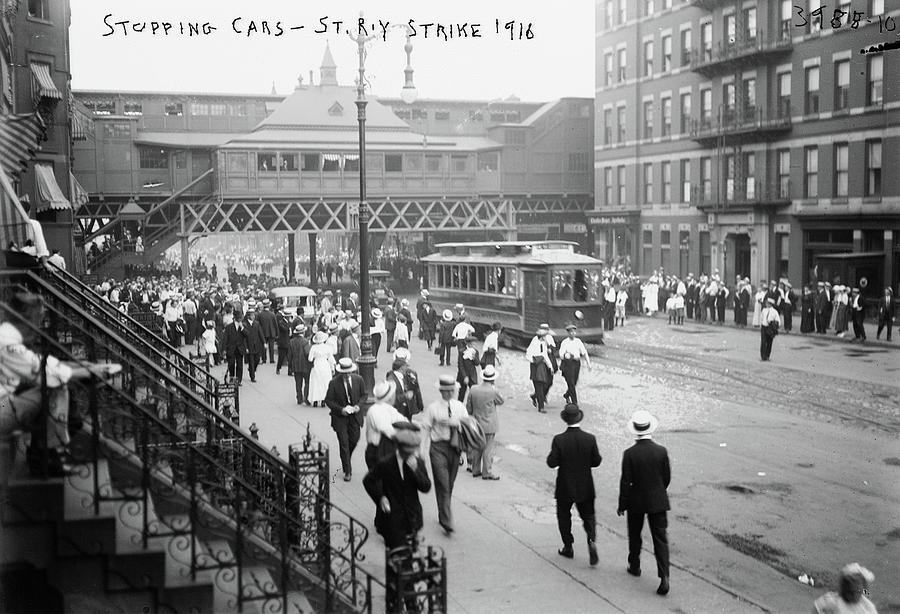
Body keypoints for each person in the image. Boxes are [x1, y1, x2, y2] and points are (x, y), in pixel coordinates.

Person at [1, 292, 121, 476]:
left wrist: (85, 366)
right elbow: (45, 372)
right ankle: (49, 455)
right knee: (56, 387)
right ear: (26, 318)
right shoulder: (7, 342)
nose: (39, 325)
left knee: (55, 386)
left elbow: (44, 363)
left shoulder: (10, 335)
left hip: (9, 400)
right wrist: (93, 371)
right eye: (38, 319)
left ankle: (45, 449)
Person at [617, 410, 671, 597]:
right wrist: (658, 490)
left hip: (636, 500)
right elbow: (666, 478)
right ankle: (664, 575)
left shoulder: (629, 454)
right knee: (660, 538)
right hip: (657, 500)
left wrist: (622, 504)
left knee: (635, 534)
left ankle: (634, 564)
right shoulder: (661, 451)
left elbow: (625, 481)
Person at [547, 403, 601, 566]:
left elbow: (551, 462)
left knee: (564, 516)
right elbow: (596, 461)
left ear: (566, 420)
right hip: (585, 485)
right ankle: (591, 540)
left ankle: (568, 545)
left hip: (565, 485)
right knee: (589, 515)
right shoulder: (590, 439)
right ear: (579, 418)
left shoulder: (559, 439)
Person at [362, 423, 432, 549]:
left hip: (413, 518)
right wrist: (380, 497)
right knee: (396, 556)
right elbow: (368, 481)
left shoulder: (418, 463)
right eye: (407, 452)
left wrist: (416, 471)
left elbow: (426, 487)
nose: (410, 455)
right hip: (392, 519)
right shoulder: (386, 463)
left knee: (410, 555)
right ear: (399, 448)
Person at [415, 375, 463, 534]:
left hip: (455, 448)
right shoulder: (433, 408)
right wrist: (422, 449)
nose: (449, 394)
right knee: (442, 482)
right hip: (437, 448)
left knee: (450, 483)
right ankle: (446, 520)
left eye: (452, 391)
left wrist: (456, 423)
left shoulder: (460, 407)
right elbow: (426, 428)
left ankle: (443, 511)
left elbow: (468, 425)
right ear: (441, 391)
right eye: (446, 391)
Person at [324, 357, 365, 481]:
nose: (347, 375)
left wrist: (358, 405)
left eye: (349, 372)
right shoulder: (334, 383)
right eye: (344, 373)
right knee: (344, 443)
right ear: (341, 372)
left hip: (354, 417)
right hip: (340, 418)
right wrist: (340, 410)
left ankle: (346, 457)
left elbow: (364, 395)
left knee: (354, 439)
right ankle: (348, 470)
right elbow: (329, 400)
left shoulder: (359, 380)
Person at [465, 364, 503, 480]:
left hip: (477, 423)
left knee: (477, 446)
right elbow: (501, 401)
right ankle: (487, 472)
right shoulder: (493, 391)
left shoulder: (474, 389)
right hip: (490, 424)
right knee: (488, 449)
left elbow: (469, 408)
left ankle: (475, 469)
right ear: (492, 378)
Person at [363, 380, 407, 470]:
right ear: (390, 397)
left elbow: (405, 422)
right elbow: (387, 430)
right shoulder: (375, 410)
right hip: (378, 451)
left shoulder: (391, 410)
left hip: (387, 451)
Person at [812, 562, 877, 614]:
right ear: (844, 588)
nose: (854, 595)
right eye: (851, 591)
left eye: (857, 591)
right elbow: (817, 606)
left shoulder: (867, 607)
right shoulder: (834, 600)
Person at [558, 324, 591, 406]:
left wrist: (588, 363)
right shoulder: (565, 342)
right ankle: (574, 402)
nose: (572, 333)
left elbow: (584, 352)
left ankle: (566, 395)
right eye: (570, 332)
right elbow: (561, 354)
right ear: (568, 333)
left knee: (574, 382)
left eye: (574, 331)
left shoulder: (578, 341)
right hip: (568, 364)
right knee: (571, 383)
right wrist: (567, 355)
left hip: (576, 364)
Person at [387, 347, 423, 420]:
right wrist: (420, 405)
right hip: (398, 409)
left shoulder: (411, 374)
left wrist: (419, 405)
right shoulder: (391, 377)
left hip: (408, 408)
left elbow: (416, 389)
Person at [525, 326, 554, 413]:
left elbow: (545, 355)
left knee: (544, 383)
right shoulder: (534, 343)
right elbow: (528, 354)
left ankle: (535, 397)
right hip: (535, 365)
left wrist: (550, 366)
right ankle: (541, 407)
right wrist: (533, 360)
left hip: (541, 366)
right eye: (544, 336)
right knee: (538, 386)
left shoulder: (543, 344)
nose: (546, 338)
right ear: (541, 336)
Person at [307, 331, 335, 407]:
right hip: (325, 365)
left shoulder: (314, 347)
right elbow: (331, 359)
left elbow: (310, 358)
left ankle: (315, 400)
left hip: (317, 364)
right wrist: (332, 368)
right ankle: (323, 400)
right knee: (325, 383)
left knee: (316, 383)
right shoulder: (327, 347)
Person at [288, 324, 311, 405]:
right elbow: (307, 353)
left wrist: (290, 365)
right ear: (303, 332)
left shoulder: (292, 341)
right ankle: (306, 397)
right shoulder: (305, 342)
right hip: (305, 365)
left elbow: (289, 355)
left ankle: (299, 398)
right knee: (307, 382)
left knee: (298, 383)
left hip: (296, 365)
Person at [222, 315, 248, 385]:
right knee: (231, 363)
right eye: (239, 319)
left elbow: (247, 335)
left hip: (240, 348)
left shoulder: (243, 326)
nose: (240, 320)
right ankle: (232, 377)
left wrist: (242, 328)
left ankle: (238, 380)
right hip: (231, 348)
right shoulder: (229, 327)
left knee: (240, 365)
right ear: (235, 319)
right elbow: (225, 338)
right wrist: (224, 349)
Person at [243, 310, 265, 383]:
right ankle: (252, 376)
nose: (254, 316)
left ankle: (252, 369)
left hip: (257, 345)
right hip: (249, 346)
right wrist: (245, 347)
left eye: (254, 315)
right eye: (252, 315)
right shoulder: (245, 324)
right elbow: (244, 338)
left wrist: (264, 342)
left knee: (257, 360)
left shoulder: (257, 323)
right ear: (248, 316)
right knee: (251, 361)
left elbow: (260, 333)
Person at [456, 333, 479, 403]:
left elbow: (477, 363)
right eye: (473, 344)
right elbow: (460, 365)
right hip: (463, 375)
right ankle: (459, 406)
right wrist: (465, 376)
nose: (475, 346)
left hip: (472, 375)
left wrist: (474, 357)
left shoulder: (475, 352)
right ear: (469, 344)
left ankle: (471, 407)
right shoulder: (462, 351)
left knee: (474, 392)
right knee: (462, 392)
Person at [760, 297, 780, 361]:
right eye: (766, 303)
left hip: (770, 328)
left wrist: (774, 325)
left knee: (769, 342)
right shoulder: (764, 310)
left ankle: (767, 355)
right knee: (763, 342)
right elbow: (761, 318)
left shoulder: (774, 312)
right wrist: (761, 324)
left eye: (768, 303)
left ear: (770, 304)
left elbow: (778, 321)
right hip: (764, 327)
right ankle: (763, 356)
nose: (766, 304)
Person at [258, 299, 278, 364]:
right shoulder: (272, 314)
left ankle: (264, 359)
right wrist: (277, 333)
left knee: (263, 346)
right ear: (269, 306)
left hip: (263, 333)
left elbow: (259, 325)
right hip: (271, 332)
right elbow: (275, 324)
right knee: (271, 347)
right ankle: (271, 359)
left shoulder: (260, 314)